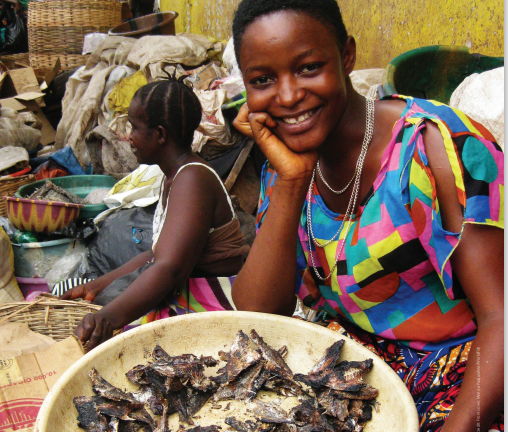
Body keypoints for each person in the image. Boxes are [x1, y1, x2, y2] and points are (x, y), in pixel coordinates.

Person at [230, 1, 504, 431]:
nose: (287, 97)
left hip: (467, 377)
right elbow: (258, 311)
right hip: (359, 371)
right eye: (263, 80)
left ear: (347, 56)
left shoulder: (435, 148)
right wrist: (291, 180)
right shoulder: (286, 164)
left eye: (307, 68)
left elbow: (501, 317)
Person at [62, 77, 249, 350]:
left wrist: (106, 318)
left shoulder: (192, 180)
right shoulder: (174, 176)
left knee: (119, 333)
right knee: (106, 299)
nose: (128, 137)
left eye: (135, 128)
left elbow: (168, 269)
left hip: (217, 300)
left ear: (160, 135)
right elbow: (157, 253)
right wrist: (96, 285)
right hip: (193, 289)